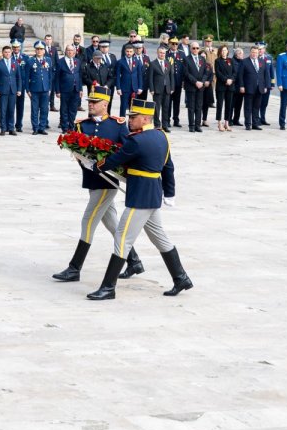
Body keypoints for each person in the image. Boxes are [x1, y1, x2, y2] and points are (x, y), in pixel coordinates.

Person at [86, 98, 192, 301]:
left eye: (133, 118)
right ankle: (181, 277)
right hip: (153, 194)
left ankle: (108, 288)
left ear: (145, 119)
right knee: (159, 237)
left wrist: (96, 165)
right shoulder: (162, 137)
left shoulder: (137, 140)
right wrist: (169, 193)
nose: (130, 121)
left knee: (122, 238)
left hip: (140, 197)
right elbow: (169, 167)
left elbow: (115, 159)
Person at [52, 86, 144, 283]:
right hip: (92, 179)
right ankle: (134, 260)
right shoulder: (81, 125)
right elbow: (77, 150)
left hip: (107, 182)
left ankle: (74, 267)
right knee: (111, 222)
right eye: (89, 102)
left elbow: (126, 151)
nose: (90, 105)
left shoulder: (118, 125)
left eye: (94, 103)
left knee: (88, 220)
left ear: (105, 105)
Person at [22, 42, 53, 135]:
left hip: (45, 89)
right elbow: (26, 77)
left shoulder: (48, 60)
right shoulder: (31, 61)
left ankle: (42, 127)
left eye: (41, 49)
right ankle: (35, 128)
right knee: (35, 110)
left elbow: (50, 75)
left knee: (44, 109)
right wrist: (27, 90)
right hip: (34, 89)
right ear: (35, 50)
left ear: (44, 50)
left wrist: (50, 87)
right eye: (37, 49)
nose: (39, 51)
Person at [0, 44, 22, 135]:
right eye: (5, 52)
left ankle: (11, 128)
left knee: (11, 109)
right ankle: (3, 128)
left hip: (13, 90)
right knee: (3, 110)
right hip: (3, 90)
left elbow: (19, 78)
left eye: (9, 52)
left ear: (11, 53)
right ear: (2, 53)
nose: (7, 54)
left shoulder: (15, 63)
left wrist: (19, 89)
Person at [181, 41, 209, 132]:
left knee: (199, 106)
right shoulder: (186, 59)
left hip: (200, 86)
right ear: (190, 49)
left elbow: (206, 72)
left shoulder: (202, 59)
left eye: (197, 48)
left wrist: (202, 82)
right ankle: (191, 125)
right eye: (193, 48)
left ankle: (198, 125)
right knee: (191, 107)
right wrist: (195, 82)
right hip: (191, 86)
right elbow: (186, 73)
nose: (195, 50)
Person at [54, 44, 83, 132]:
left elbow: (79, 75)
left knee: (73, 109)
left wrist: (80, 89)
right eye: (68, 50)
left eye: (71, 50)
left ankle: (71, 126)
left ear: (74, 52)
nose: (70, 52)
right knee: (64, 109)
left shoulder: (77, 61)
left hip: (75, 89)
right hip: (64, 89)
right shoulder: (60, 61)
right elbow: (57, 78)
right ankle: (64, 127)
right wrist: (57, 91)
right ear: (65, 51)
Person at [146, 44, 174, 132]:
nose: (162, 55)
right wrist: (151, 89)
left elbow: (171, 76)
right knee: (157, 108)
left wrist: (172, 87)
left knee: (166, 108)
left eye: (163, 53)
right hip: (157, 90)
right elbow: (150, 77)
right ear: (157, 53)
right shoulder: (153, 63)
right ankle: (157, 125)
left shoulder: (168, 63)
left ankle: (165, 125)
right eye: (160, 53)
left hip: (167, 89)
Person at [238, 45, 266, 130]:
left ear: (258, 53)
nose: (254, 54)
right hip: (248, 88)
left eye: (256, 52)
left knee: (256, 107)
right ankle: (248, 124)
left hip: (259, 88)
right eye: (253, 52)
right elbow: (240, 75)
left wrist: (265, 86)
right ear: (250, 52)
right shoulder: (244, 61)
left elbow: (265, 75)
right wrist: (241, 86)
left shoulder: (262, 61)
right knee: (248, 107)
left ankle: (255, 124)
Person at [115, 43, 144, 108]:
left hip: (134, 88)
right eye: (127, 51)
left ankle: (132, 118)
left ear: (133, 52)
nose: (129, 53)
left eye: (130, 51)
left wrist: (140, 87)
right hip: (124, 88)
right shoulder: (120, 62)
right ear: (125, 51)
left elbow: (139, 75)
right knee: (123, 106)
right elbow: (117, 76)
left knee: (133, 106)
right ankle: (122, 118)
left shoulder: (137, 61)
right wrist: (118, 88)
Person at [214, 44, 235, 131]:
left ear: (227, 51)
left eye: (225, 50)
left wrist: (231, 80)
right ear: (220, 52)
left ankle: (227, 122)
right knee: (220, 105)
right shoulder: (217, 61)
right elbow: (218, 73)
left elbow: (234, 72)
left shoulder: (231, 60)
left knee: (229, 105)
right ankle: (219, 123)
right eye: (222, 50)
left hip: (230, 86)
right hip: (221, 86)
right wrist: (226, 80)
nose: (224, 52)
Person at [230, 47, 247, 128]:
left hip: (240, 87)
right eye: (241, 54)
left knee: (238, 105)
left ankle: (236, 119)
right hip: (233, 86)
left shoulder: (243, 62)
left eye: (243, 54)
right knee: (231, 104)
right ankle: (229, 120)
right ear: (236, 54)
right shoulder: (232, 61)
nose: (242, 55)